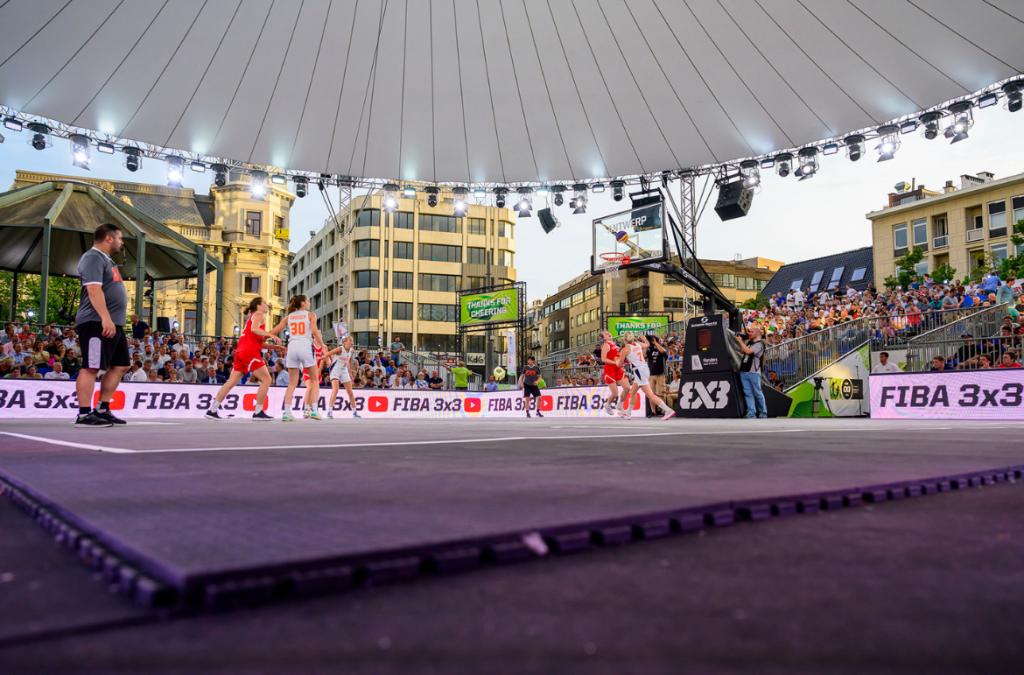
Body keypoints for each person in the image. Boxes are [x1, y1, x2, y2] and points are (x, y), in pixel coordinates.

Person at [74, 223, 132, 427]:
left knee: (121, 364)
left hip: (112, 322)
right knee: (91, 367)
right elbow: (93, 290)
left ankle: (102, 408)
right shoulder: (93, 257)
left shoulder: (107, 260)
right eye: (119, 238)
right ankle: (83, 414)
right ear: (109, 238)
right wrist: (105, 318)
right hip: (96, 321)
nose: (121, 242)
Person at [204, 297, 284, 421]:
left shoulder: (251, 319)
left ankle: (212, 410)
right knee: (267, 379)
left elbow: (258, 343)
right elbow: (254, 329)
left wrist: (276, 347)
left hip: (241, 352)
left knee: (231, 382)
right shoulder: (259, 315)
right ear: (258, 306)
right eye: (264, 303)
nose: (267, 305)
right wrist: (271, 334)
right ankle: (258, 412)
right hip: (249, 353)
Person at [271, 294, 325, 422]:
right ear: (303, 303)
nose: (309, 303)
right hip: (305, 345)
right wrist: (322, 346)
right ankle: (315, 410)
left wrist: (262, 335)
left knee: (292, 383)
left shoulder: (289, 317)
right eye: (308, 301)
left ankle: (287, 412)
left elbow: (274, 330)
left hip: (292, 346)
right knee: (315, 380)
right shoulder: (310, 315)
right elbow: (315, 331)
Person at [616, 332, 676, 420]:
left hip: (639, 371)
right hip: (644, 369)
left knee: (650, 395)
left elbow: (619, 364)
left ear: (624, 339)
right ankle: (628, 413)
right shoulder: (638, 344)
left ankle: (668, 410)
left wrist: (616, 359)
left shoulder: (625, 350)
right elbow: (647, 344)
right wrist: (644, 339)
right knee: (633, 392)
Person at [734, 326, 767, 419]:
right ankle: (751, 412)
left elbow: (748, 352)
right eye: (749, 331)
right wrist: (743, 342)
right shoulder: (750, 342)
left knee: (757, 392)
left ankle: (763, 412)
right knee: (748, 393)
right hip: (745, 370)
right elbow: (742, 351)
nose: (749, 333)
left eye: (752, 332)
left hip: (754, 372)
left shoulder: (760, 344)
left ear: (757, 333)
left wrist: (740, 341)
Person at [324, 335, 359, 420]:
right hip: (335, 370)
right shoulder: (340, 349)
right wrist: (325, 359)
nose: (352, 342)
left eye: (352, 340)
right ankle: (329, 411)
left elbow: (350, 360)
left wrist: (350, 371)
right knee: (335, 390)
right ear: (345, 342)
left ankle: (355, 412)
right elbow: (328, 353)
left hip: (344, 371)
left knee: (350, 392)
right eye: (350, 340)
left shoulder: (352, 350)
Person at [599, 330, 629, 417]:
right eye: (606, 334)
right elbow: (603, 359)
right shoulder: (606, 345)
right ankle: (607, 404)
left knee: (627, 388)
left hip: (618, 369)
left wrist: (620, 362)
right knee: (615, 393)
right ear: (604, 338)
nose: (608, 333)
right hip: (610, 370)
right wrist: (615, 362)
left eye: (608, 332)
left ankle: (620, 405)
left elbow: (617, 357)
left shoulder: (614, 344)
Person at [646, 334, 667, 416]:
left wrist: (656, 344)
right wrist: (645, 344)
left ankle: (664, 411)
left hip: (660, 374)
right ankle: (653, 411)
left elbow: (663, 352)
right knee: (651, 394)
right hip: (651, 374)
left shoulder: (662, 349)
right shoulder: (650, 350)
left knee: (661, 393)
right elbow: (644, 355)